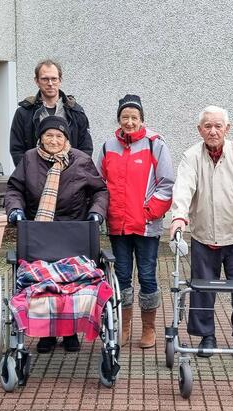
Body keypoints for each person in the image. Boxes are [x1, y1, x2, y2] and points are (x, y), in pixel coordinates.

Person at [5, 115, 108, 353]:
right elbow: (14, 189)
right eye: (48, 135)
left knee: (71, 283)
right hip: (39, 230)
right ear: (40, 138)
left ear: (66, 139)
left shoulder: (81, 160)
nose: (53, 140)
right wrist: (16, 210)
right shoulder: (29, 159)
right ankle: (47, 333)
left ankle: (70, 331)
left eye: (58, 136)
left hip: (73, 230)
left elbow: (100, 190)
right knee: (43, 283)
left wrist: (96, 213)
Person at [169, 105, 233, 360]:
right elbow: (183, 188)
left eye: (218, 126)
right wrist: (179, 216)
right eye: (208, 126)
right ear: (200, 130)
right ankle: (206, 336)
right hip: (203, 236)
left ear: (227, 129)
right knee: (201, 290)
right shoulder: (191, 156)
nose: (213, 131)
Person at [97, 94, 174, 349]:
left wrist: (149, 212)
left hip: (146, 225)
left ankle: (149, 327)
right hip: (118, 225)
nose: (129, 122)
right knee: (120, 276)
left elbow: (166, 184)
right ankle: (124, 324)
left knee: (148, 275)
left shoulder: (155, 144)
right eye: (124, 117)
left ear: (142, 119)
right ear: (118, 119)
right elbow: (99, 183)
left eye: (134, 117)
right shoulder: (108, 146)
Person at [9, 59, 93, 167]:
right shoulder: (24, 113)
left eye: (54, 79)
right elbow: (17, 150)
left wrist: (75, 174)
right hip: (35, 177)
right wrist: (29, 174)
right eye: (45, 79)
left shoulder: (76, 112)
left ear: (60, 80)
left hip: (71, 176)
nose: (50, 83)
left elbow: (86, 149)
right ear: (36, 81)